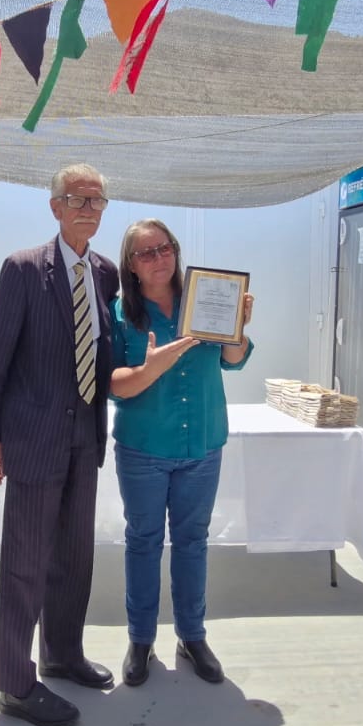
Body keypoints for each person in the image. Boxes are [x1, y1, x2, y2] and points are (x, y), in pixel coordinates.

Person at [0, 163, 119, 726]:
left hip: (85, 441)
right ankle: (15, 684)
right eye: (76, 199)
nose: (88, 209)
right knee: (24, 567)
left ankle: (62, 653)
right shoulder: (23, 269)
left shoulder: (105, 273)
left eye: (97, 200)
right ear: (55, 207)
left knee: (74, 558)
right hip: (34, 441)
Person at [107, 218, 253, 687]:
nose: (158, 258)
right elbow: (114, 386)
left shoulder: (208, 300)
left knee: (193, 542)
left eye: (164, 247)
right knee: (144, 541)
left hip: (203, 443)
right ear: (131, 265)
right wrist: (154, 366)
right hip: (144, 448)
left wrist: (239, 330)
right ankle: (141, 639)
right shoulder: (120, 313)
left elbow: (234, 360)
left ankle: (192, 636)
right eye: (145, 252)